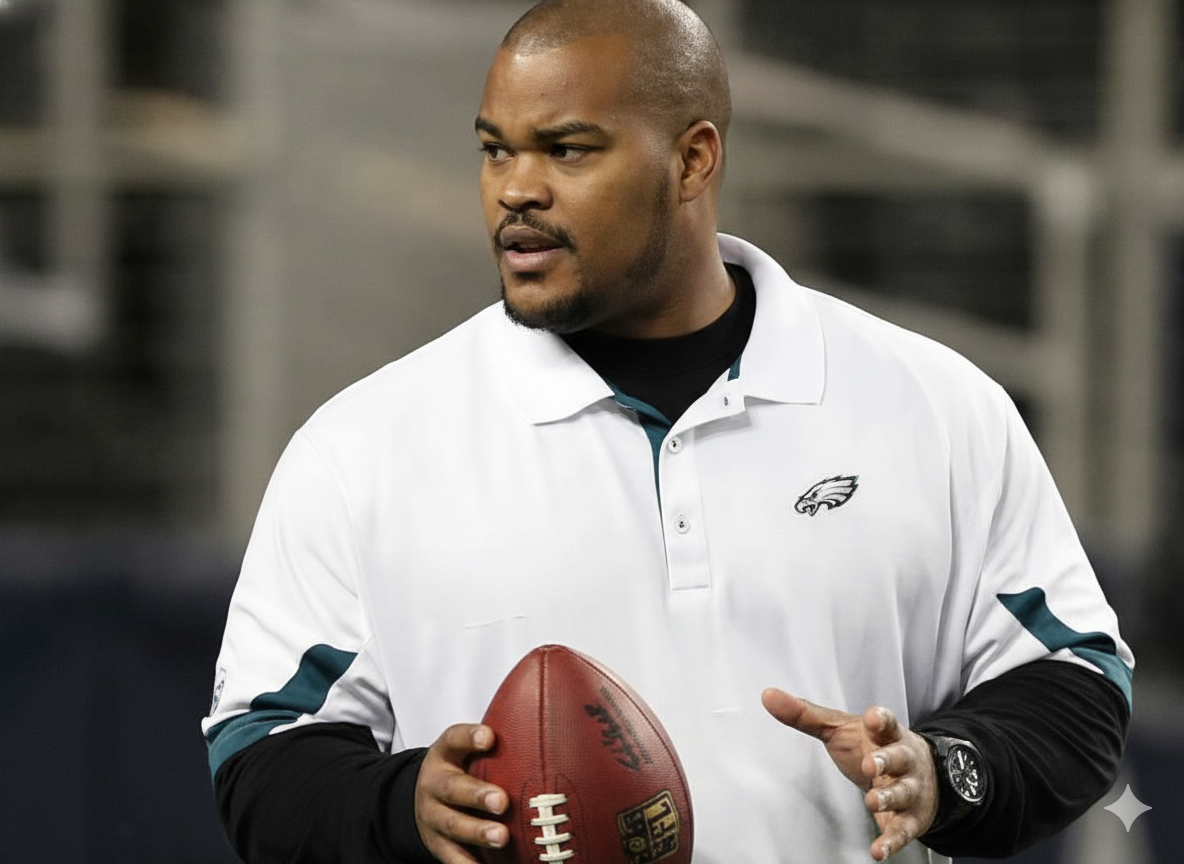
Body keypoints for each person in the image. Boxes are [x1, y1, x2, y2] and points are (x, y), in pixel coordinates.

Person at [202, 1, 1133, 862]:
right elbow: (261, 752)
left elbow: (1079, 684)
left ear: (693, 159)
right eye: (495, 151)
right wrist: (405, 808)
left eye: (567, 150)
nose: (515, 190)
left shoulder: (933, 404)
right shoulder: (366, 446)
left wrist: (943, 771)